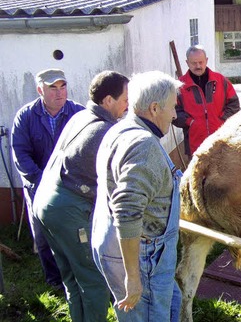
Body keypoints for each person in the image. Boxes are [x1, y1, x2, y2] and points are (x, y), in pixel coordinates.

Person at [32, 70, 129, 321]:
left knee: (71, 277)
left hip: (44, 202)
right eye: (125, 98)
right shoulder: (104, 131)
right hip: (67, 209)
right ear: (108, 101)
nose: (128, 104)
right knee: (93, 278)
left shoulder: (80, 116)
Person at [91, 71, 183, 322]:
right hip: (142, 257)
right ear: (154, 108)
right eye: (173, 107)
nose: (175, 115)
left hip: (116, 244)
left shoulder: (120, 128)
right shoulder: (143, 144)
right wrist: (133, 277)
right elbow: (127, 209)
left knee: (173, 302)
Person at [11, 68, 85, 290]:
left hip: (71, 186)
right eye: (53, 88)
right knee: (43, 236)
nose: (59, 93)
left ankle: (77, 276)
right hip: (38, 185)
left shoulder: (78, 113)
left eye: (63, 86)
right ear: (40, 90)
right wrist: (41, 181)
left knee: (75, 233)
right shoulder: (25, 116)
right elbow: (20, 153)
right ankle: (54, 280)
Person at [173, 45, 240, 157]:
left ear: (206, 61)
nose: (198, 66)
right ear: (187, 62)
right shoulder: (179, 86)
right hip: (195, 146)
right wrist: (190, 122)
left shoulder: (220, 80)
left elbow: (234, 104)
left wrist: (222, 120)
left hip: (222, 142)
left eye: (201, 62)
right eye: (194, 63)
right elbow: (173, 112)